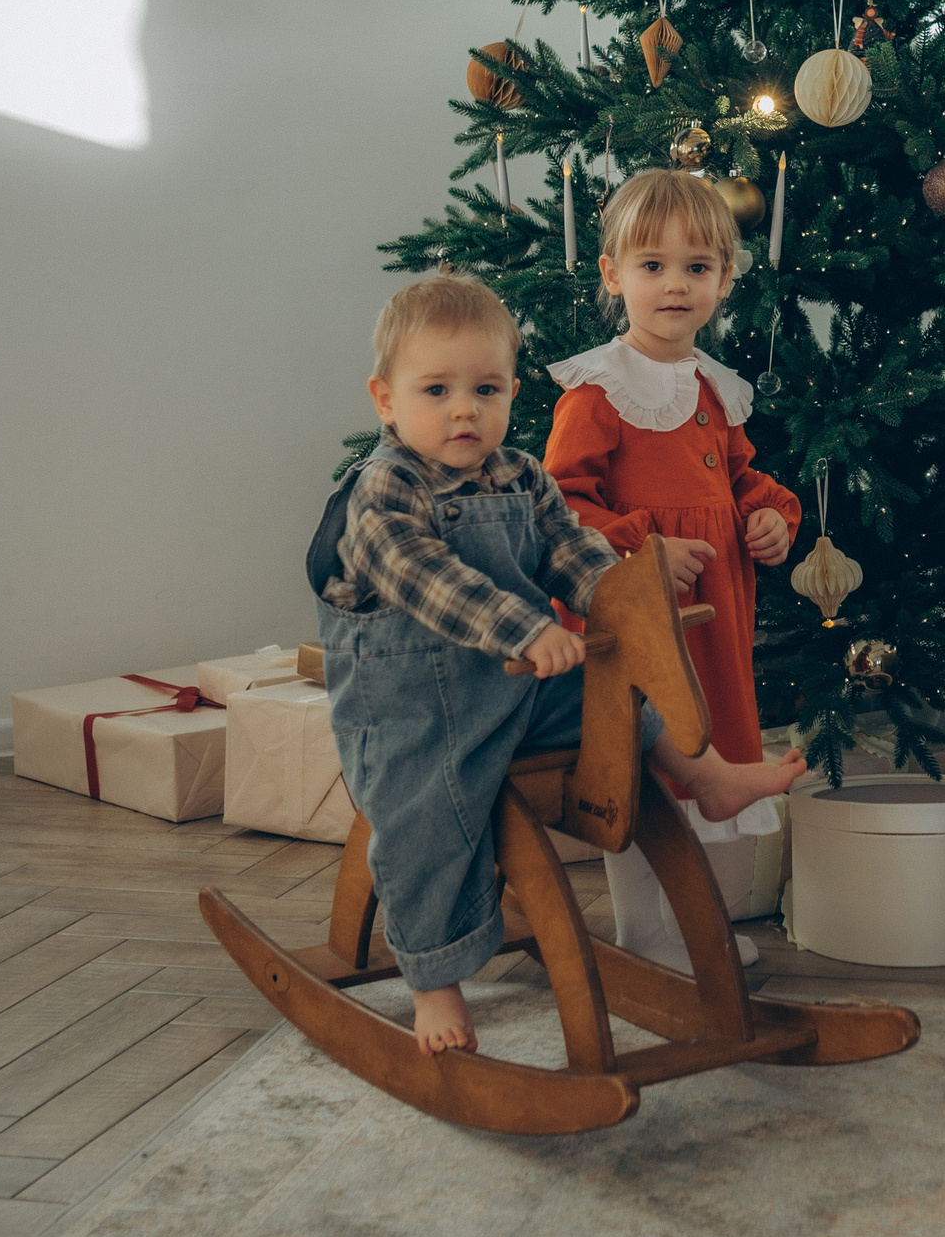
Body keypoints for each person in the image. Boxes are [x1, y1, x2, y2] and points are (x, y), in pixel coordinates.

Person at [310, 272, 802, 1057]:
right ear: (385, 399)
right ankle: (434, 983)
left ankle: (707, 777)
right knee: (422, 824)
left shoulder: (520, 474)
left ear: (510, 393)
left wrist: (621, 598)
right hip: (414, 705)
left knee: (620, 696)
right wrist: (525, 628)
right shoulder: (385, 490)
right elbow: (425, 575)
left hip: (511, 687)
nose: (464, 408)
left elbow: (570, 548)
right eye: (435, 389)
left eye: (486, 387)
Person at [544, 170, 803, 974]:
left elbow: (739, 481)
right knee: (647, 762)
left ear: (725, 280)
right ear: (613, 274)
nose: (675, 284)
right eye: (652, 265)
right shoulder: (597, 390)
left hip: (711, 615)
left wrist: (771, 518)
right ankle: (645, 934)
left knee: (708, 748)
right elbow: (558, 505)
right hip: (634, 617)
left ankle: (695, 923)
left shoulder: (713, 391)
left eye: (697, 266)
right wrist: (644, 545)